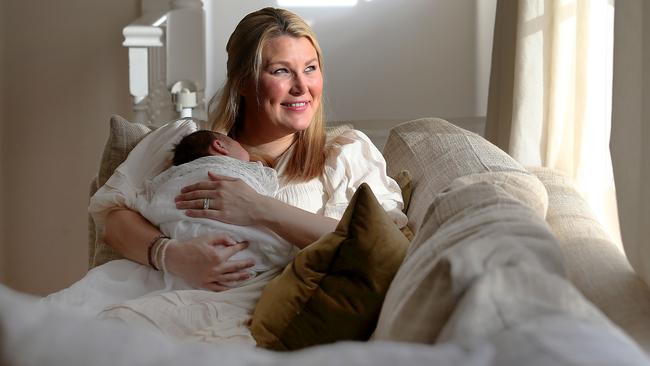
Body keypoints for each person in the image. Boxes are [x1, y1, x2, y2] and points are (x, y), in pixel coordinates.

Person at [46, 7, 407, 345]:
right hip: (160, 292)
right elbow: (113, 219)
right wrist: (171, 255)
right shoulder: (184, 143)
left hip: (262, 317)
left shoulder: (343, 155)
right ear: (244, 83)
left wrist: (259, 208)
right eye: (281, 71)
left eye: (311, 68)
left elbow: (380, 241)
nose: (302, 86)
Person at [139, 130, 293, 287]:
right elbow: (264, 190)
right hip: (196, 257)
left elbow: (154, 200)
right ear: (219, 146)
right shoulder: (242, 170)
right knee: (284, 246)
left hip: (184, 241)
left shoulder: (173, 177)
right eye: (236, 143)